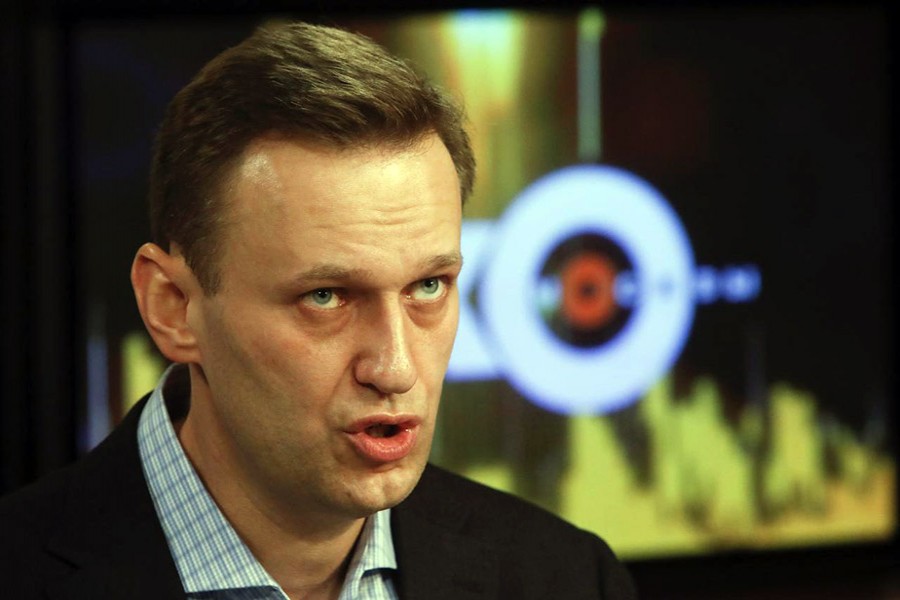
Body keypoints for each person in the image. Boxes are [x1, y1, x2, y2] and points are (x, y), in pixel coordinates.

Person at [0, 21, 636, 599]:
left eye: (428, 286)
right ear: (173, 308)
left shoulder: (569, 579)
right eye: (325, 297)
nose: (394, 368)